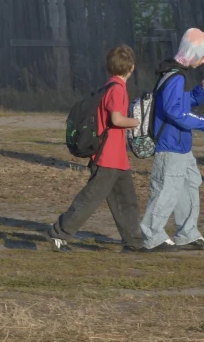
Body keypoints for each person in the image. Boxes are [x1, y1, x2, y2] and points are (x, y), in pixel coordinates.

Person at [47, 45, 145, 253]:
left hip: (117, 157)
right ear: (132, 68)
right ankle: (59, 233)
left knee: (127, 201)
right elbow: (116, 119)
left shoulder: (109, 85)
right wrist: (137, 122)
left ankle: (134, 242)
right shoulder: (117, 89)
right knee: (90, 199)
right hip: (107, 156)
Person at [141, 28, 204, 252]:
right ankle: (152, 235)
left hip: (182, 146)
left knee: (189, 184)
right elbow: (174, 111)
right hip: (170, 145)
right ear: (192, 52)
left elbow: (184, 103)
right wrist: (201, 123)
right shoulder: (175, 76)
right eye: (202, 56)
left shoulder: (176, 75)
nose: (203, 62)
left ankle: (187, 233)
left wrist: (200, 91)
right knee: (166, 190)